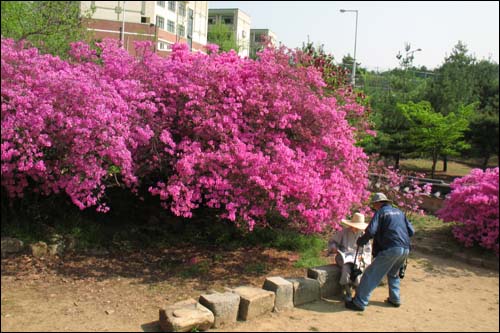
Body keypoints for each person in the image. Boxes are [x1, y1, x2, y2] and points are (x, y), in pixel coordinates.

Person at [345, 192, 414, 312]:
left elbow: (371, 231)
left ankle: (359, 302)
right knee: (393, 273)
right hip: (405, 248)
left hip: (391, 248)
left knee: (371, 274)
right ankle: (395, 299)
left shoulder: (380, 213)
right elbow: (411, 231)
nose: (374, 208)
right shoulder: (400, 212)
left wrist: (361, 241)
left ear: (378, 204)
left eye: (374, 205)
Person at [327, 212, 372, 302]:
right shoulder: (343, 233)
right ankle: (348, 292)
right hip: (344, 257)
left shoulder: (363, 235)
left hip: (358, 258)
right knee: (346, 269)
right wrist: (334, 248)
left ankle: (357, 292)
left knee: (358, 271)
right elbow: (332, 242)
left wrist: (362, 257)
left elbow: (367, 250)